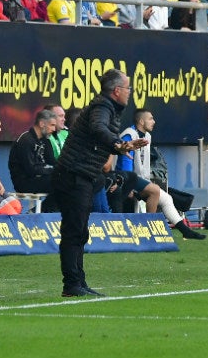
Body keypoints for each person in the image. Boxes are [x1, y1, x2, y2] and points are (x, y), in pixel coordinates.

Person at [52, 69, 149, 297]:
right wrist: (117, 144)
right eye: (128, 88)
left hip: (82, 175)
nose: (130, 93)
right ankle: (72, 284)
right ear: (117, 91)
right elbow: (98, 128)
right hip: (73, 175)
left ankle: (78, 282)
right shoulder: (102, 107)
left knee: (79, 231)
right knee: (75, 231)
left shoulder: (108, 108)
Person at [115, 108, 207, 240]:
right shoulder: (129, 135)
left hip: (140, 181)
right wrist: (129, 185)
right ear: (141, 121)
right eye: (150, 119)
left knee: (167, 199)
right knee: (155, 192)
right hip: (126, 180)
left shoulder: (147, 136)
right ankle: (148, 231)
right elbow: (126, 163)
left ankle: (185, 230)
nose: (154, 121)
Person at [8, 108, 58, 212]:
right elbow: (31, 169)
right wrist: (52, 170)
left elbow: (53, 162)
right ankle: (37, 212)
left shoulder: (45, 141)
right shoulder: (25, 140)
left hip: (40, 179)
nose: (54, 129)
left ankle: (45, 213)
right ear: (42, 124)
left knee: (69, 182)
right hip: (25, 182)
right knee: (62, 183)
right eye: (52, 125)